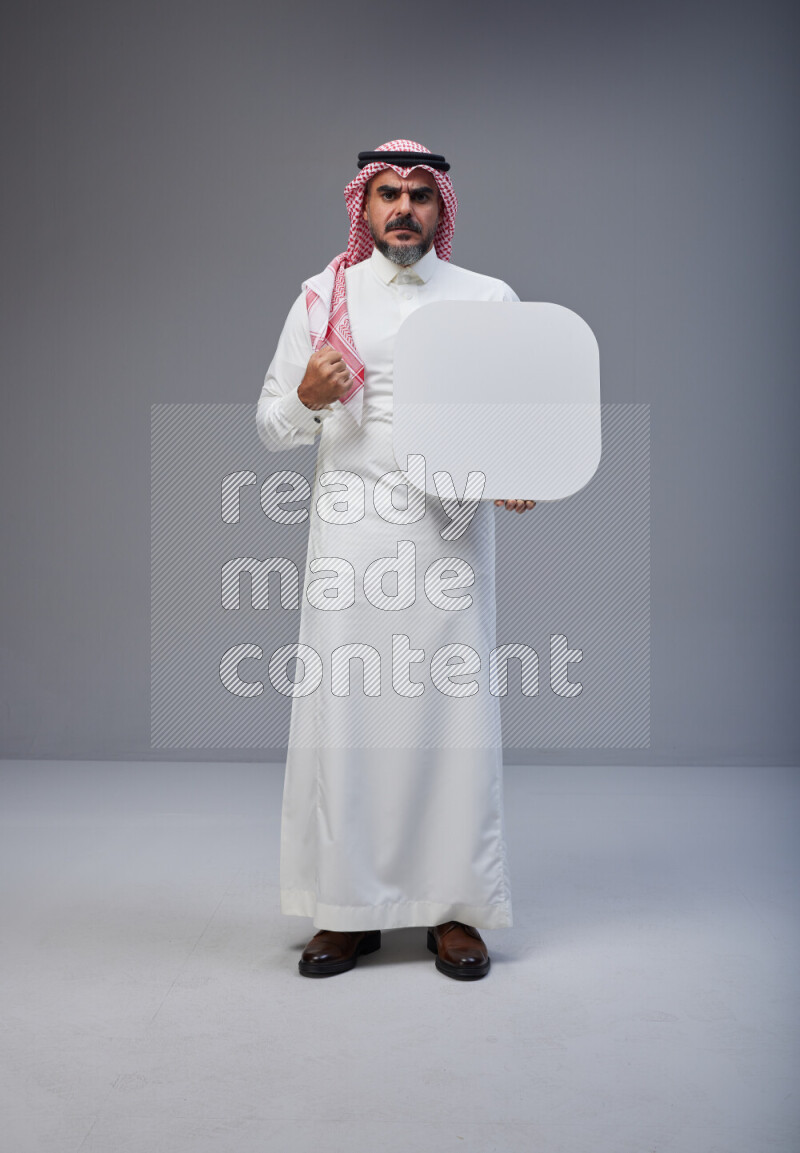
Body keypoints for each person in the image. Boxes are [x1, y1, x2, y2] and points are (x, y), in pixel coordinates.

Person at [256, 139, 535, 981]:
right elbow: (271, 423)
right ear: (363, 206)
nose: (404, 207)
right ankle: (347, 913)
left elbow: (524, 421)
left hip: (448, 544)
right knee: (349, 724)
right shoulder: (320, 297)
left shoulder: (490, 299)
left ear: (442, 207)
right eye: (387, 193)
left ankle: (455, 912)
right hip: (350, 542)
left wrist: (523, 471)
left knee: (450, 726)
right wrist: (306, 398)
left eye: (420, 193)